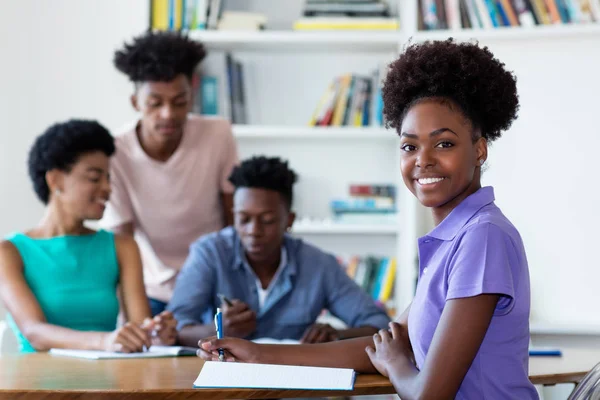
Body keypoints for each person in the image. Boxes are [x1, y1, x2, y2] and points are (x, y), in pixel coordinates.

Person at [198, 39, 539, 399]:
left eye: (444, 144)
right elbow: (382, 345)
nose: (422, 160)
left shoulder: (482, 237)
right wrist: (257, 354)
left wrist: (395, 364)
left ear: (479, 149)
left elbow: (428, 393)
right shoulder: (455, 239)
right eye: (409, 146)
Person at [168, 156, 391, 347]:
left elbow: (379, 323)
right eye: (243, 219)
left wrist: (338, 336)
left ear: (289, 220)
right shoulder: (209, 254)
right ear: (233, 215)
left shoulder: (318, 264)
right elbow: (173, 330)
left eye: (267, 221)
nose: (253, 231)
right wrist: (220, 329)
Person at [0, 120, 177, 353]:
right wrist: (104, 341)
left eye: (108, 178)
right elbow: (35, 332)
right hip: (37, 384)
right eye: (94, 178)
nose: (107, 188)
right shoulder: (10, 252)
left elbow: (139, 326)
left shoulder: (121, 246)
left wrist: (153, 333)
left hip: (106, 382)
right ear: (55, 180)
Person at [102, 31, 239, 316]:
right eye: (155, 103)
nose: (168, 114)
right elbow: (122, 241)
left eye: (180, 102)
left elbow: (233, 220)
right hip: (153, 287)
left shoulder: (218, 134)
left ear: (192, 96)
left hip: (212, 283)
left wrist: (233, 294)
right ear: (135, 102)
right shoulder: (114, 151)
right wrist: (128, 320)